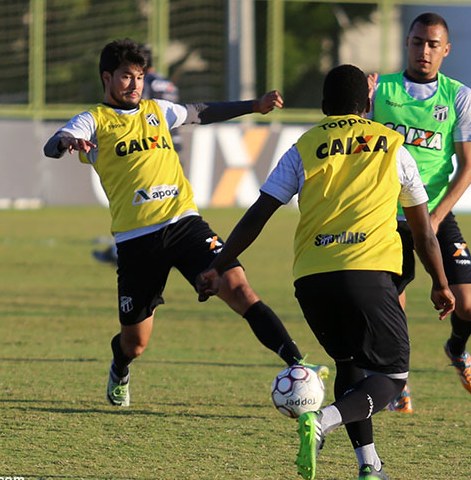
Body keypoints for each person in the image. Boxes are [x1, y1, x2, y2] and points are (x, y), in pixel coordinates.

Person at [196, 65, 455, 480]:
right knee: (391, 378)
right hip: (368, 272)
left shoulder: (304, 146)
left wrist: (218, 264)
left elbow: (257, 216)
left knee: (349, 363)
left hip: (312, 280)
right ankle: (324, 420)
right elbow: (424, 233)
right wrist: (441, 284)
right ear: (368, 104)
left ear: (323, 107)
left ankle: (369, 465)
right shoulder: (393, 146)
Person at [43, 38, 326, 407]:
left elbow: (201, 111)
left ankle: (297, 364)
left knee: (240, 289)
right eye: (126, 77)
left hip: (185, 225)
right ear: (107, 78)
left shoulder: (156, 110)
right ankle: (120, 366)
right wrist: (68, 142)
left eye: (140, 77)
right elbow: (54, 142)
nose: (134, 85)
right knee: (136, 344)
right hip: (136, 241)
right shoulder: (93, 120)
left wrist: (253, 106)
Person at [369, 12, 471, 411]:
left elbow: (468, 168)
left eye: (433, 44)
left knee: (469, 305)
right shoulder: (379, 89)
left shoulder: (459, 97)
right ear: (407, 43)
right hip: (387, 215)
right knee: (394, 305)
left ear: (446, 50)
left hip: (435, 212)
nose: (424, 50)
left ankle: (456, 349)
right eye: (418, 42)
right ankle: (398, 380)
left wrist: (435, 218)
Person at [92, 45, 182, 265]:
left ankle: (119, 252)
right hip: (172, 145)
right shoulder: (167, 83)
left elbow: (137, 110)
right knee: (167, 203)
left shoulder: (146, 85)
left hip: (148, 147)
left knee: (137, 206)